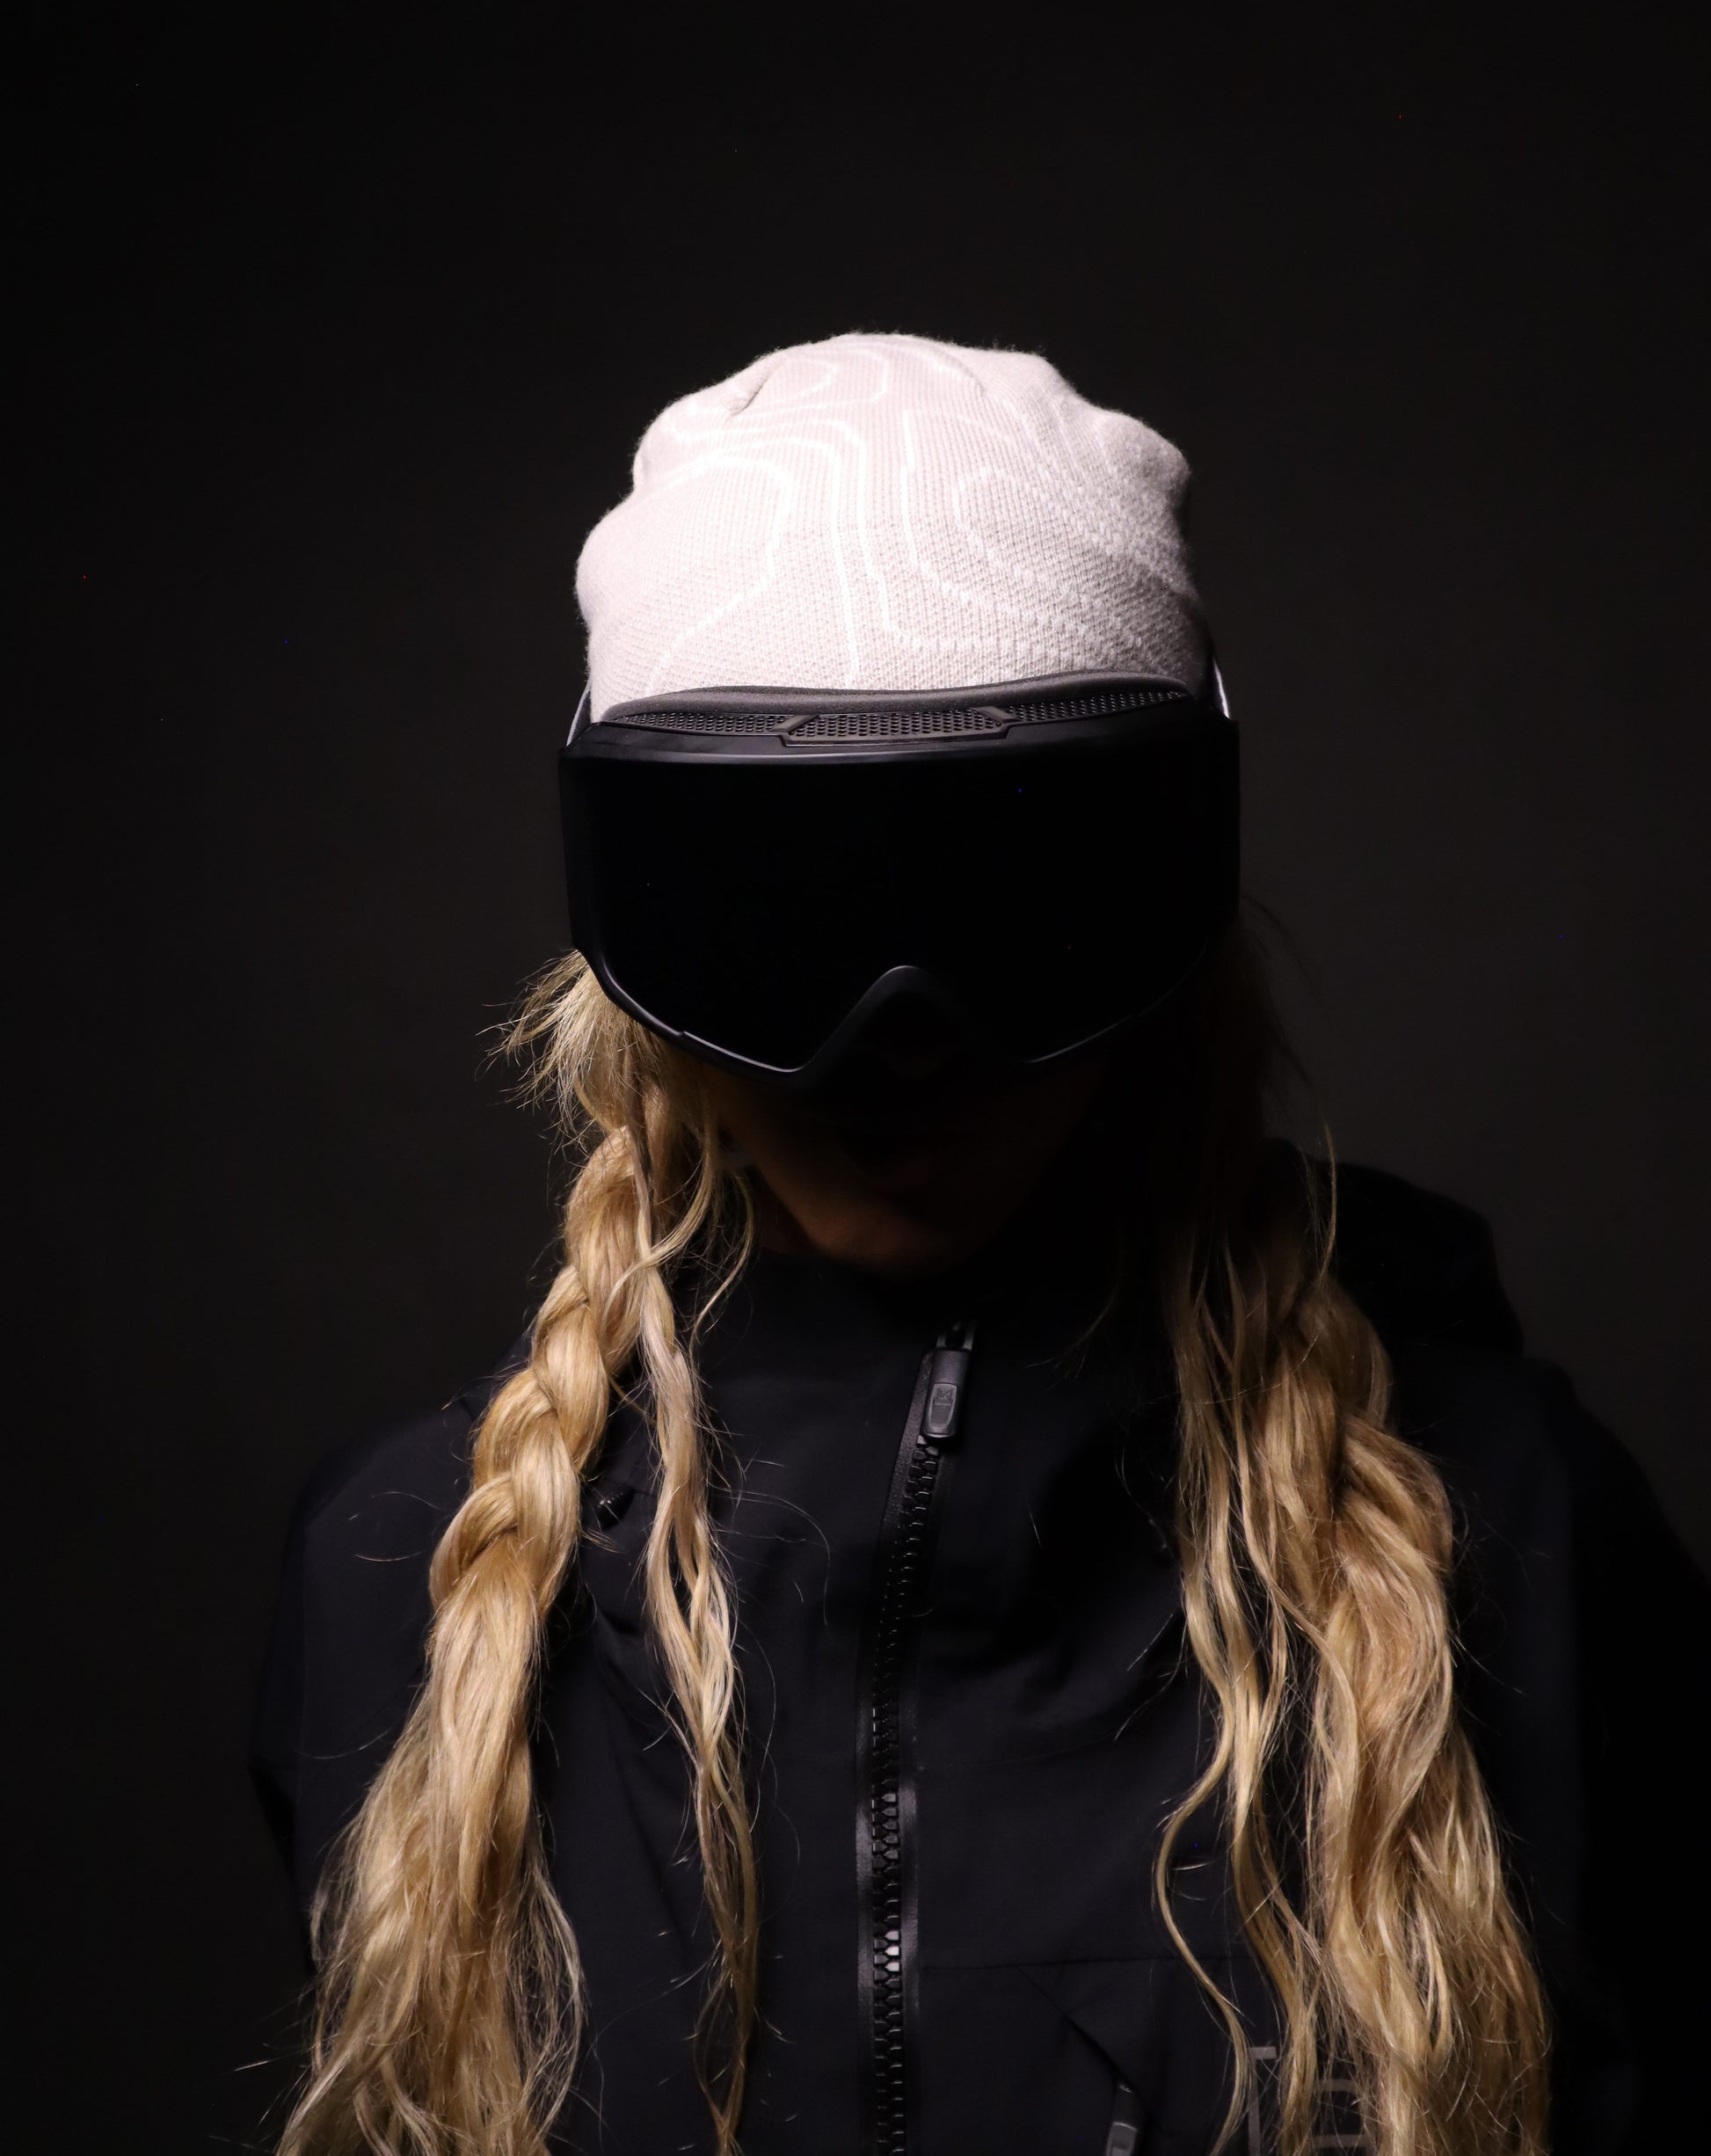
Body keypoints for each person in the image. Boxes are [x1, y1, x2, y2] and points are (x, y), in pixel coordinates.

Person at [252, 334, 1707, 2156]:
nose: (898, 1044)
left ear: (1169, 897)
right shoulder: (408, 1582)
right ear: (628, 933)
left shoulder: (1514, 1534)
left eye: (1020, 896)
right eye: (774, 911)